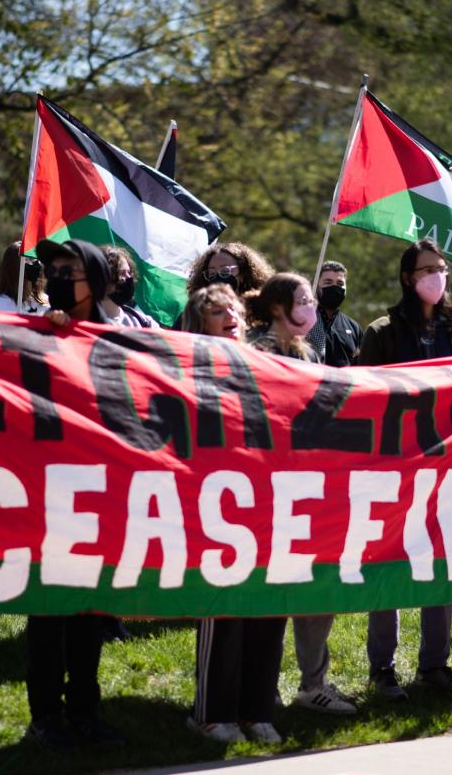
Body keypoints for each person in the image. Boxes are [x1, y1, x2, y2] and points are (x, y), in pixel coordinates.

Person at [358, 238, 452, 704]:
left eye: (442, 268)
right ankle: (382, 669)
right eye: (427, 269)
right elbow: (365, 396)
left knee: (441, 565)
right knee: (388, 564)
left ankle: (434, 665)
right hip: (394, 466)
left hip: (448, 467)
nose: (437, 276)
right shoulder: (382, 331)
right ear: (409, 278)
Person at [24, 238, 123, 749]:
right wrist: (48, 336)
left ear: (97, 281)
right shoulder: (34, 331)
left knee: (88, 613)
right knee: (47, 613)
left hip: (99, 496)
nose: (58, 278)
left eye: (71, 270)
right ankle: (44, 717)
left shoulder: (121, 340)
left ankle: (85, 709)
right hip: (46, 495)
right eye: (53, 270)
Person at [179, 282, 287, 743]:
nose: (230, 317)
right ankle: (211, 713)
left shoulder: (266, 365)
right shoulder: (184, 370)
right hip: (215, 505)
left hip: (265, 503)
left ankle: (256, 711)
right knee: (222, 610)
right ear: (200, 323)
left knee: (268, 608)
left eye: (234, 310)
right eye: (217, 311)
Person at [246, 274, 356, 719]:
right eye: (303, 300)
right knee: (270, 593)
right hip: (269, 487)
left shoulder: (309, 352)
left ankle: (314, 684)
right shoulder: (256, 351)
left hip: (311, 485)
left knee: (318, 587)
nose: (312, 307)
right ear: (277, 308)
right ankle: (262, 688)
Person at [307, 260, 361, 368]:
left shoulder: (353, 327)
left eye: (340, 284)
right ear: (316, 285)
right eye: (328, 282)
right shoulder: (303, 320)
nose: (335, 287)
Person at [100, 244, 157, 328]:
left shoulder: (143, 322)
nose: (129, 277)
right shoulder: (82, 323)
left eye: (129, 272)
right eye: (122, 273)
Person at [0, 241, 46, 314]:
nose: (35, 264)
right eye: (27, 259)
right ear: (12, 268)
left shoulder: (48, 304)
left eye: (34, 259)